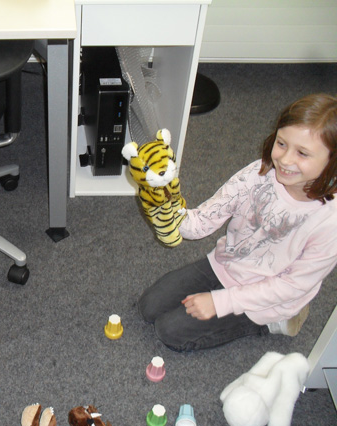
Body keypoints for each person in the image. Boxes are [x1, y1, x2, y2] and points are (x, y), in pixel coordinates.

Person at [139, 93, 337, 352]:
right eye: (281, 143)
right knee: (149, 307)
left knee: (169, 331)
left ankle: (279, 321)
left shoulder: (330, 221)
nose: (285, 160)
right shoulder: (259, 172)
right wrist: (167, 210)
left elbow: (291, 286)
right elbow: (204, 220)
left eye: (302, 153)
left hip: (269, 297)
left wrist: (221, 302)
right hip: (226, 264)